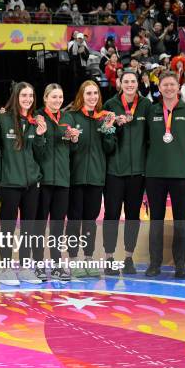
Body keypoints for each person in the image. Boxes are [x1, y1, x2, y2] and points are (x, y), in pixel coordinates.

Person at [145, 71, 185, 278]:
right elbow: (144, 145)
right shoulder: (152, 112)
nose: (169, 88)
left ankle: (180, 265)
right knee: (156, 221)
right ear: (159, 88)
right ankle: (154, 264)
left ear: (178, 87)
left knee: (181, 220)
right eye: (165, 85)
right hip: (154, 176)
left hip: (180, 176)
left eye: (172, 84)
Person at [65, 80, 117, 278]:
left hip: (96, 178)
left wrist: (108, 131)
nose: (92, 97)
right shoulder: (71, 116)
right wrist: (73, 140)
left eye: (95, 93)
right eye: (88, 93)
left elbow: (109, 149)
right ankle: (73, 260)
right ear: (81, 96)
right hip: (76, 178)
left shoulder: (103, 118)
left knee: (90, 221)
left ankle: (88, 259)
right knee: (74, 221)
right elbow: (68, 149)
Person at [102, 71, 151, 276]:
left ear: (138, 83)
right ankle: (109, 258)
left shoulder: (146, 106)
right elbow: (104, 137)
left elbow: (150, 139)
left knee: (132, 217)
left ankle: (129, 258)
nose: (130, 84)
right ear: (120, 84)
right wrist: (115, 128)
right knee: (111, 215)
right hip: (114, 171)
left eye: (133, 81)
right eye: (126, 81)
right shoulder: (110, 106)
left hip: (137, 173)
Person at [0, 82, 47, 285]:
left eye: (30, 95)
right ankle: (6, 268)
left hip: (32, 184)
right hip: (10, 183)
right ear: (16, 97)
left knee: (28, 228)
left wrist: (40, 137)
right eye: (24, 95)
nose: (27, 99)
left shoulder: (35, 121)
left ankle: (26, 267)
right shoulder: (3, 119)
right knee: (8, 228)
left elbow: (40, 155)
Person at [33, 84, 80, 281]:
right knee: (39, 225)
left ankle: (57, 264)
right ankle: (37, 265)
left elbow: (70, 151)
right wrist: (40, 136)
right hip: (43, 180)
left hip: (62, 180)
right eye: (53, 97)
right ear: (45, 98)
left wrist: (75, 141)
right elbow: (35, 151)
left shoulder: (67, 118)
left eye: (60, 97)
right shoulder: (38, 117)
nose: (57, 100)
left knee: (57, 226)